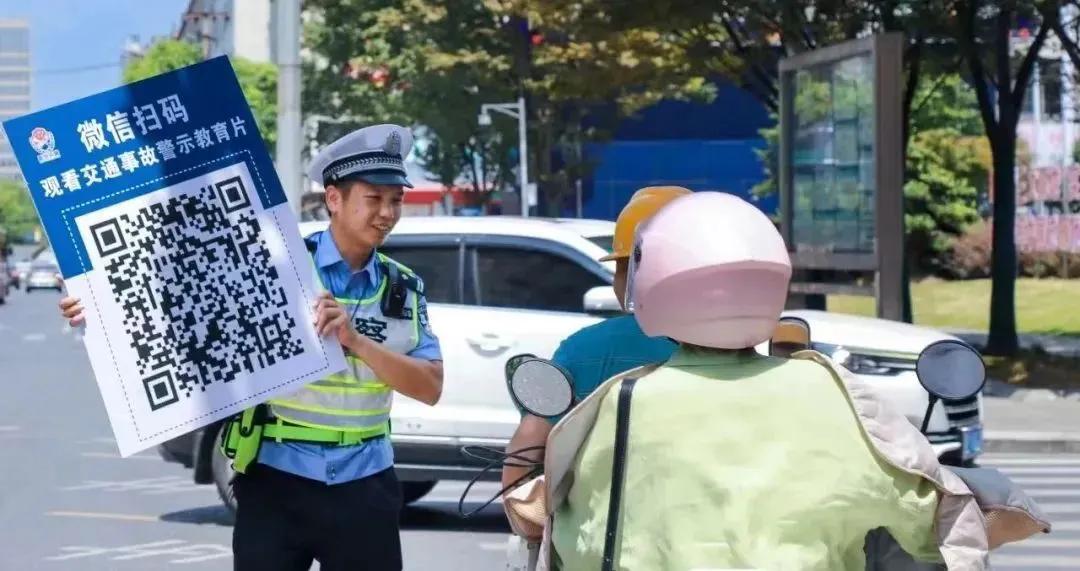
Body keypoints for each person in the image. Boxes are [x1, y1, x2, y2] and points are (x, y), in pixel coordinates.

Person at [59, 124, 444, 571]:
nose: (387, 213)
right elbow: (184, 309)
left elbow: (430, 387)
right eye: (374, 199)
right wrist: (98, 309)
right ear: (334, 199)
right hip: (277, 478)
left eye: (395, 200)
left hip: (366, 484)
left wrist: (356, 341)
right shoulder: (276, 262)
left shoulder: (404, 288)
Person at [540, 191, 987, 570]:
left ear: (651, 279)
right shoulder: (830, 395)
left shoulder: (622, 401)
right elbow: (935, 524)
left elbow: (577, 539)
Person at [500, 186, 688, 491]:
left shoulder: (585, 350)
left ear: (633, 272)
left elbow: (526, 451)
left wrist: (524, 511)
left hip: (605, 520)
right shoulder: (749, 347)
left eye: (621, 268)